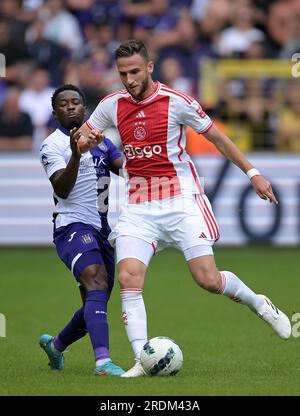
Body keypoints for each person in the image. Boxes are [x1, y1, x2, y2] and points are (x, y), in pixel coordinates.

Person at [78, 40, 292, 378]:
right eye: (123, 73)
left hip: (180, 201)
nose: (129, 79)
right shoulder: (110, 105)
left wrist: (253, 174)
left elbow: (218, 139)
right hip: (138, 204)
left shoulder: (177, 102)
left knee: (207, 279)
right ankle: (142, 358)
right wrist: (84, 142)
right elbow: (85, 137)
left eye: (135, 71)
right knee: (128, 278)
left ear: (150, 67)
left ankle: (259, 303)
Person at [39, 84, 124, 376]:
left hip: (103, 231)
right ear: (55, 112)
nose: (71, 107)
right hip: (71, 226)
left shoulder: (103, 141)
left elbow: (123, 167)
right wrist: (77, 153)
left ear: (85, 109)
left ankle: (57, 345)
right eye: (64, 104)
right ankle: (103, 362)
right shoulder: (51, 145)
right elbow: (62, 188)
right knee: (96, 281)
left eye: (76, 103)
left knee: (94, 303)